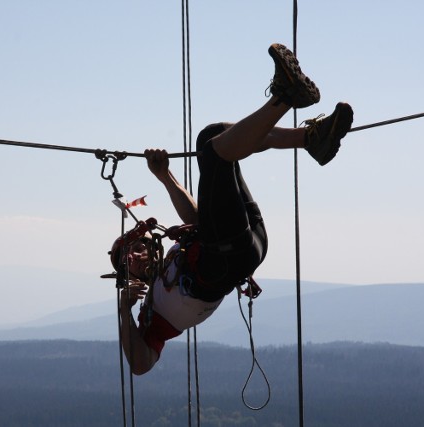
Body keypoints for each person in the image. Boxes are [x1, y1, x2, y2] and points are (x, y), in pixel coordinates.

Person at [113, 43, 354, 375]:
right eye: (129, 262)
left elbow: (197, 217)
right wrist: (124, 312)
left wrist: (164, 175)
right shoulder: (150, 315)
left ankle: (312, 138)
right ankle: (285, 97)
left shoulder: (175, 251)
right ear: (130, 279)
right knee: (214, 155)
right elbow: (140, 365)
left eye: (136, 249)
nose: (136, 256)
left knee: (212, 138)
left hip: (241, 240)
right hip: (225, 257)